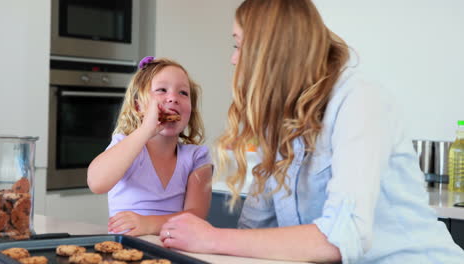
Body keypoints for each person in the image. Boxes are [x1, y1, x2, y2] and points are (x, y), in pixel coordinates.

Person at [158, 0, 464, 263]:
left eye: (239, 45)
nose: (233, 58)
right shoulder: (279, 121)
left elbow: (342, 236)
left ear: (271, 51)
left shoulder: (360, 101)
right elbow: (255, 227)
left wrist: (212, 239)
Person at [87, 57, 213, 237]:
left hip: (175, 249)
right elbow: (97, 183)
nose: (173, 98)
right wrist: (146, 129)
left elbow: (196, 215)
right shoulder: (126, 147)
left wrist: (150, 224)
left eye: (183, 93)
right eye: (162, 90)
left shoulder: (196, 157)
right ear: (139, 106)